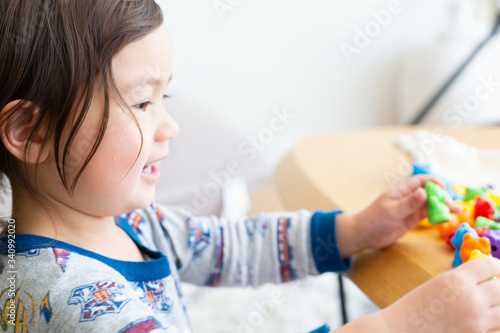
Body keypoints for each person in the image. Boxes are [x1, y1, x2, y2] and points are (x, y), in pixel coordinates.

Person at [0, 1, 499, 332]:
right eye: (140, 103)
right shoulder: (75, 301)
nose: (170, 126)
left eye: (164, 97)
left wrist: (354, 231)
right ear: (32, 133)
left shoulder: (119, 221)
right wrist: (401, 324)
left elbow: (226, 247)